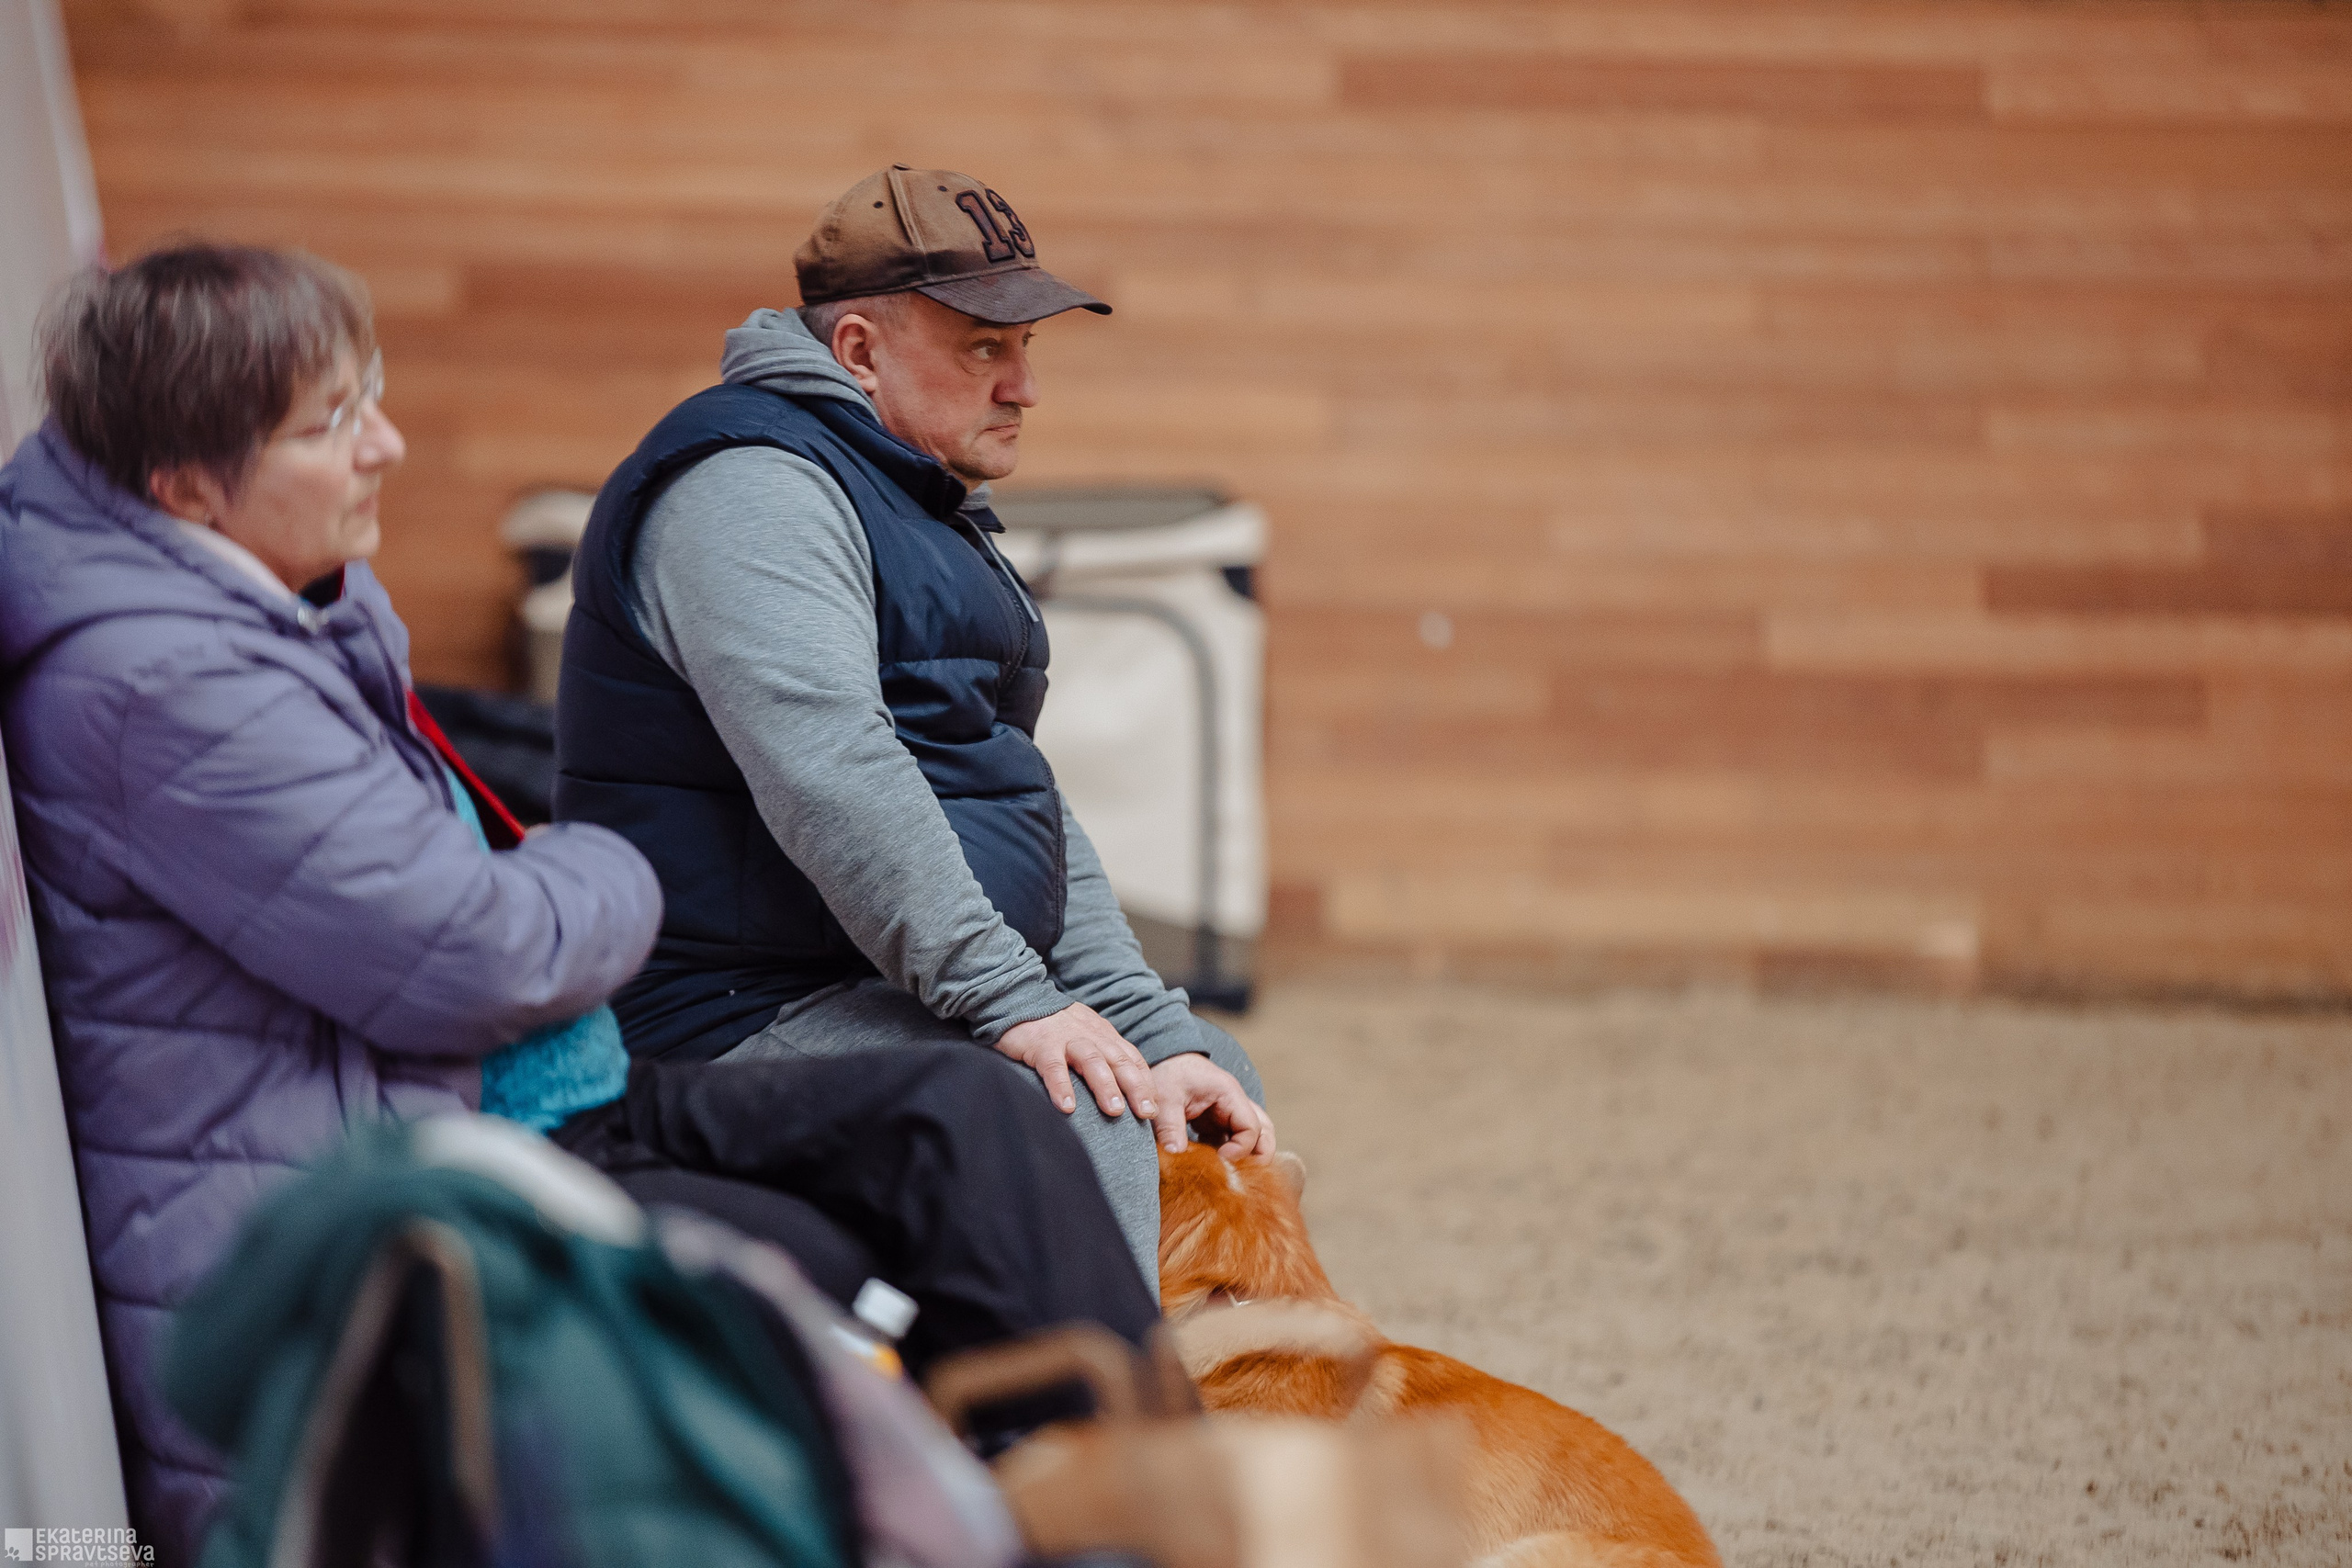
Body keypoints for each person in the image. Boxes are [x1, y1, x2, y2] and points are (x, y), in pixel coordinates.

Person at [0, 243, 1157, 1565]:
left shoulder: (270, 602)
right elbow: (481, 947)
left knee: (972, 1114)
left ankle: (1145, 1506)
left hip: (509, 1089)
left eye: (369, 394)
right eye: (330, 423)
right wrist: (606, 861)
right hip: (397, 1189)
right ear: (184, 484)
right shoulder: (165, 686)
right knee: (859, 1243)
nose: (385, 443)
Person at [555, 167, 1274, 1284]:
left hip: (873, 979)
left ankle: (1233, 1424)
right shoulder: (752, 489)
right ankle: (1087, 1442)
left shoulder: (908, 492)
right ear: (856, 350)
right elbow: (833, 773)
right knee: (1072, 1112)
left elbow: (1009, 786)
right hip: (732, 1012)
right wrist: (1017, 1008)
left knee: (1208, 1078)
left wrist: (1146, 1018)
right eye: (985, 348)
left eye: (1027, 347)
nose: (1024, 387)